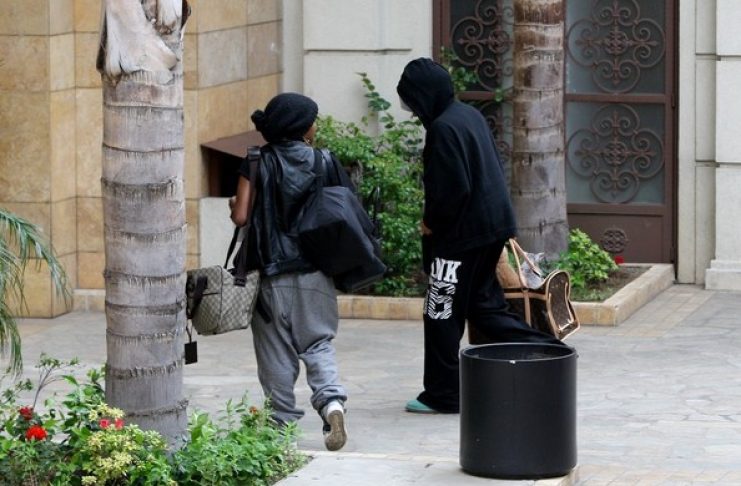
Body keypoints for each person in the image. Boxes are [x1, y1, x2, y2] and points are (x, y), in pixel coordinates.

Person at [396, 58, 564, 415]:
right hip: (489, 229)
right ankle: (549, 350)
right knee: (485, 308)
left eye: (410, 99)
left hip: (459, 237)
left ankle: (444, 394)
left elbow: (451, 189)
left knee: (440, 312)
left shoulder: (442, 128)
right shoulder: (467, 115)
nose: (410, 108)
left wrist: (430, 222)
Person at [229, 93, 352, 451]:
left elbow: (241, 216)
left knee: (275, 352)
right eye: (313, 119)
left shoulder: (256, 161)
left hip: (269, 275)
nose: (316, 125)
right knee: (318, 342)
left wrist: (235, 204)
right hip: (315, 271)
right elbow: (344, 209)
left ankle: (281, 426)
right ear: (302, 127)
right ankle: (332, 404)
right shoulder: (323, 160)